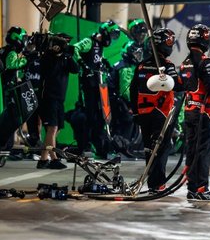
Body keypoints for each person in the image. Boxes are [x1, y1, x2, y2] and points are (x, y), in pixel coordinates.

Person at [130, 28, 182, 193]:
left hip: (143, 114)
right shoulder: (167, 66)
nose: (171, 45)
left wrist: (136, 113)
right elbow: (178, 85)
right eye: (169, 42)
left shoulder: (141, 65)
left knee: (149, 149)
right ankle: (157, 185)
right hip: (161, 115)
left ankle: (153, 183)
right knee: (161, 149)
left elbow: (133, 90)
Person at [180, 24, 210, 201]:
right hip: (203, 114)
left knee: (191, 150)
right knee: (203, 151)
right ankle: (201, 189)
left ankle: (192, 188)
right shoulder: (205, 61)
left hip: (189, 111)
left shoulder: (185, 63)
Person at [73, 20, 121, 155]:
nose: (111, 39)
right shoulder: (89, 41)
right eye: (111, 35)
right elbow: (75, 48)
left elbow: (97, 58)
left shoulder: (100, 46)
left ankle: (102, 145)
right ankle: (85, 145)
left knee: (103, 115)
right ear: (105, 32)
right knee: (89, 114)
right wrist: (83, 65)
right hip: (88, 85)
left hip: (100, 84)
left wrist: (104, 62)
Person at [37, 34, 79, 169]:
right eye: (63, 44)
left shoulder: (65, 58)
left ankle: (44, 158)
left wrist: (68, 55)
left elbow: (75, 69)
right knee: (52, 128)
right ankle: (52, 158)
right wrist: (55, 54)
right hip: (49, 97)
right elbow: (50, 71)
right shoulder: (47, 57)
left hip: (60, 98)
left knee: (57, 128)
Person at [0, 27, 28, 150]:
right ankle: (4, 145)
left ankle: (6, 146)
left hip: (5, 88)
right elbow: (11, 65)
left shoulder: (3, 50)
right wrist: (27, 59)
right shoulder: (11, 51)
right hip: (6, 90)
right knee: (13, 119)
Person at [109, 41, 143, 140]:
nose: (138, 57)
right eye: (136, 54)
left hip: (115, 98)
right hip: (114, 100)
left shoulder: (126, 65)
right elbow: (125, 91)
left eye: (139, 54)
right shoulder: (125, 68)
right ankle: (123, 143)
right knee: (129, 118)